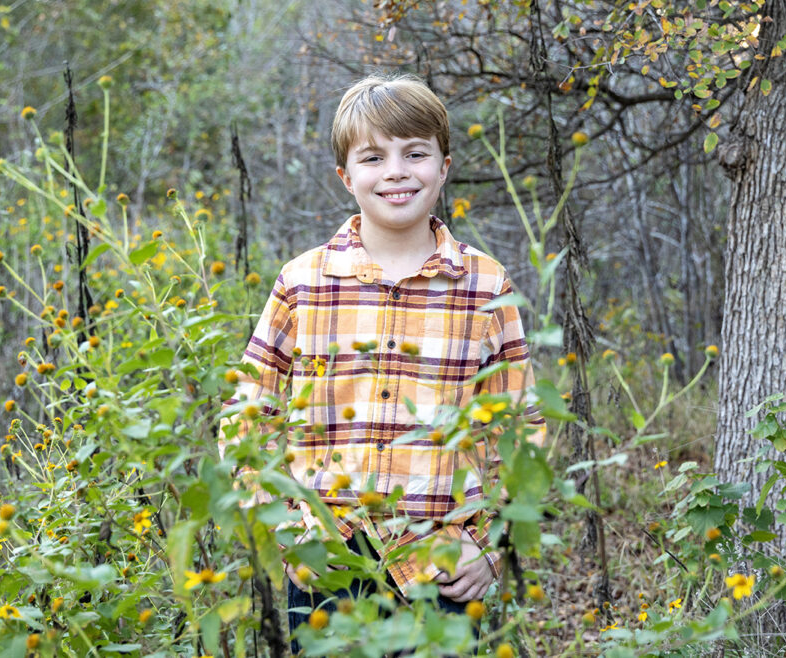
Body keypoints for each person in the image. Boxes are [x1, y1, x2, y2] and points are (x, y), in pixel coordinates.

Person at [220, 74, 544, 654]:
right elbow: (247, 413)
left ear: (443, 167)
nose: (396, 171)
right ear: (347, 177)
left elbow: (522, 430)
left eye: (415, 153)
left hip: (443, 564)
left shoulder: (486, 286)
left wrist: (494, 543)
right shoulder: (303, 283)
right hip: (326, 562)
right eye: (374, 157)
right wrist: (286, 532)